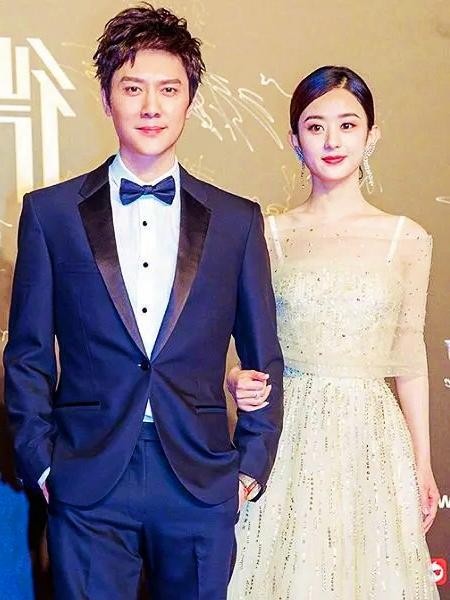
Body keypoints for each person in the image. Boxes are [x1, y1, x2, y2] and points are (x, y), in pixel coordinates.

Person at [3, 5, 284, 599]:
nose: (151, 106)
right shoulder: (50, 214)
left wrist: (249, 469)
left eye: (168, 89)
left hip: (200, 478)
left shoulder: (236, 220)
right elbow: (27, 354)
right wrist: (44, 464)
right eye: (133, 89)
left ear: (190, 100)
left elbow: (264, 354)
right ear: (107, 99)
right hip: (88, 475)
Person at [227, 66, 439, 599]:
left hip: (372, 435)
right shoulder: (267, 234)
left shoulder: (407, 239)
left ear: (372, 135)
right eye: (315, 126)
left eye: (348, 125)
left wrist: (422, 461)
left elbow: (409, 357)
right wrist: (233, 378)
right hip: (288, 432)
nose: (332, 141)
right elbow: (238, 342)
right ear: (294, 140)